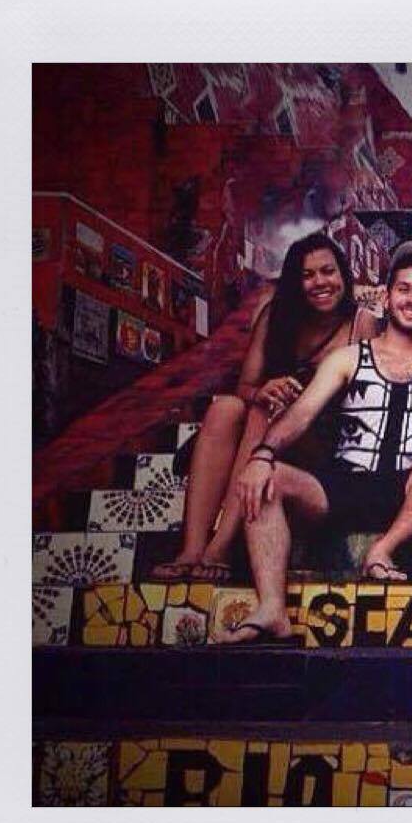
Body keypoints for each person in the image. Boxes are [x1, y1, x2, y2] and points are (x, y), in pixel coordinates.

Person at [213, 243, 412, 643]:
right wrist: (262, 455)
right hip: (342, 485)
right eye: (404, 289)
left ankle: (384, 548)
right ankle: (272, 609)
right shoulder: (348, 358)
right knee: (267, 476)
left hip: (409, 493)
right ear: (386, 296)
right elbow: (299, 415)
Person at [152, 233, 378, 582]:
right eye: (308, 275)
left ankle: (222, 545)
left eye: (328, 272)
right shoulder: (276, 316)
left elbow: (366, 400)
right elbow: (244, 385)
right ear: (295, 281)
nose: (320, 282)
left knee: (264, 413)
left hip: (321, 439)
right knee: (226, 408)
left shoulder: (361, 322)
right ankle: (193, 548)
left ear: (343, 276)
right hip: (265, 431)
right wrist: (263, 390)